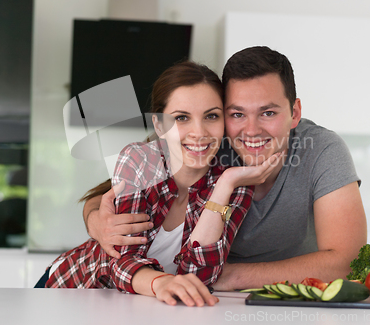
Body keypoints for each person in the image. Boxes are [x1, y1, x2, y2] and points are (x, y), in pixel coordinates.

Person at [83, 46, 368, 290]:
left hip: (277, 299)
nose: (251, 131)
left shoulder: (323, 150)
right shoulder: (207, 143)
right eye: (237, 114)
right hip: (195, 297)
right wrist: (96, 220)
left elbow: (346, 261)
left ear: (294, 113)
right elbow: (112, 193)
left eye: (268, 113)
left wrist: (231, 276)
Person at [41, 61, 281, 306]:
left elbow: (200, 276)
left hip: (140, 308)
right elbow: (120, 260)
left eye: (211, 116)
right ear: (159, 125)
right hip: (70, 289)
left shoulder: (235, 183)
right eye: (181, 118)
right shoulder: (139, 160)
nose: (198, 132)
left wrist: (225, 184)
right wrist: (161, 282)